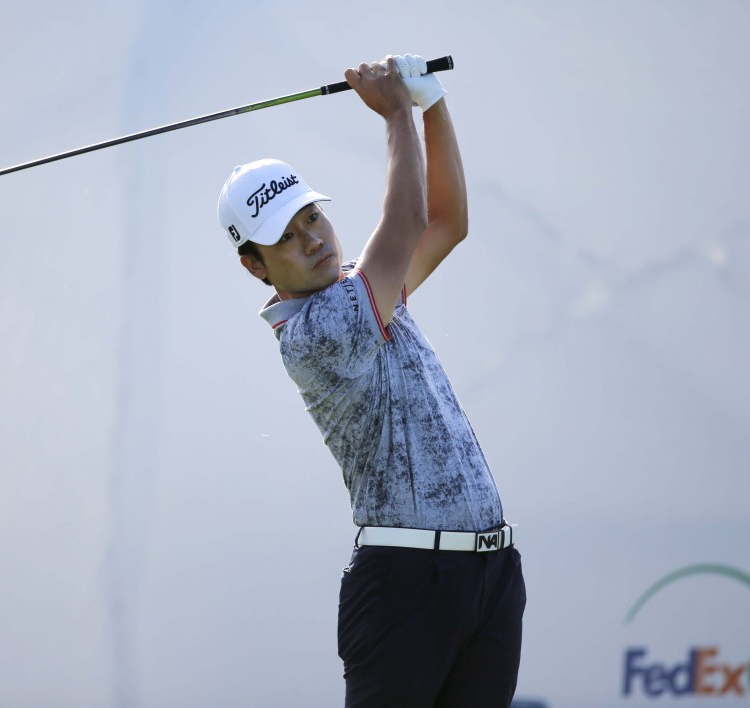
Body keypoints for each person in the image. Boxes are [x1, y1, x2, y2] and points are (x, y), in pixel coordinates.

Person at [217, 54, 525, 708]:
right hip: (406, 585)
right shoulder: (318, 331)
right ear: (254, 266)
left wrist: (431, 102)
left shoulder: (368, 290)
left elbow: (448, 222)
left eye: (312, 218)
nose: (313, 240)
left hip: (489, 574)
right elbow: (409, 222)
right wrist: (395, 113)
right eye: (286, 237)